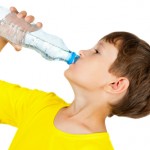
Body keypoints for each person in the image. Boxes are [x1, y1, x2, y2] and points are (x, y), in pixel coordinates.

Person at [0, 7, 150, 150]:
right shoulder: (40, 105)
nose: (82, 51)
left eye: (97, 51)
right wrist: (3, 35)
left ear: (116, 84)